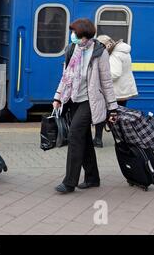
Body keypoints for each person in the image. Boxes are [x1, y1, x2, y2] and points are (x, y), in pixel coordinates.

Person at [53, 18, 118, 194]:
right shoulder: (73, 49)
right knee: (85, 139)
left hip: (91, 101)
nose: (71, 35)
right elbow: (66, 76)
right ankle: (92, 178)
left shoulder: (99, 52)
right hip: (73, 99)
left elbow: (106, 81)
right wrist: (58, 97)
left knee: (74, 134)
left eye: (74, 32)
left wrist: (113, 107)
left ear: (84, 35)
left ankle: (69, 182)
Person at [93, 35, 138, 147]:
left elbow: (115, 73)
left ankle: (98, 139)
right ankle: (121, 138)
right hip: (124, 89)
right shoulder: (124, 51)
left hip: (116, 91)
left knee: (103, 114)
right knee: (118, 115)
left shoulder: (115, 55)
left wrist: (100, 76)